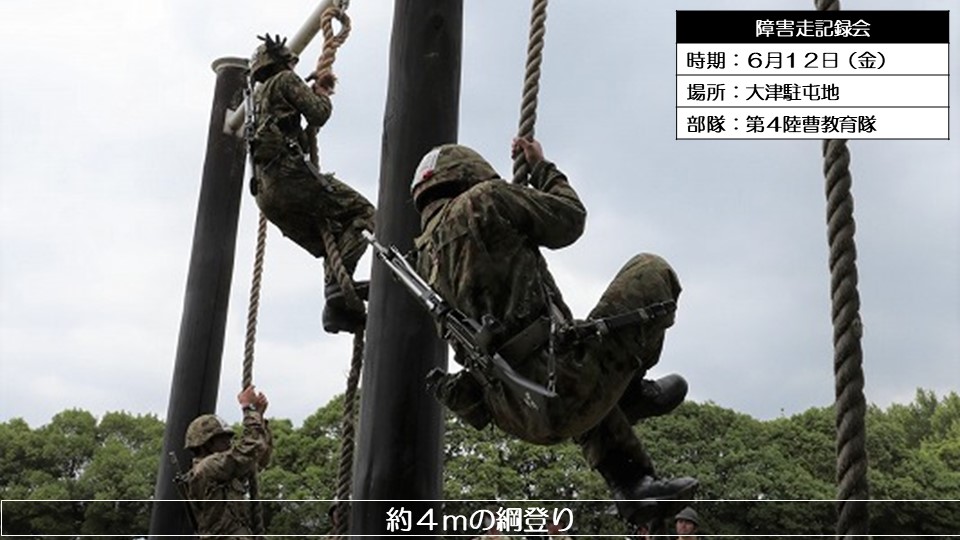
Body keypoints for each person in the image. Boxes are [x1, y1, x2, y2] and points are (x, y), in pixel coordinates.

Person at [410, 138, 697, 525]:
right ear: (470, 175)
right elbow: (570, 219)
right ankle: (627, 391)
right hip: (560, 382)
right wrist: (542, 168)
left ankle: (631, 483)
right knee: (651, 271)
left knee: (565, 347)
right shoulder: (486, 199)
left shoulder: (421, 260)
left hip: (516, 410)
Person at [248, 34, 375, 334]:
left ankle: (336, 310)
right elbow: (319, 113)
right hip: (292, 180)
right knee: (364, 212)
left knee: (330, 237)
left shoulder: (256, 101)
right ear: (282, 62)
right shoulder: (284, 81)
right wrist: (322, 91)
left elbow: (296, 137)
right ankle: (336, 289)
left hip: (267, 195)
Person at [183, 385, 273, 539]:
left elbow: (259, 457)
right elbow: (250, 450)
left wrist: (258, 417)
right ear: (207, 443)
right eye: (223, 439)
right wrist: (248, 409)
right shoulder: (209, 467)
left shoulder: (226, 471)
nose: (229, 443)